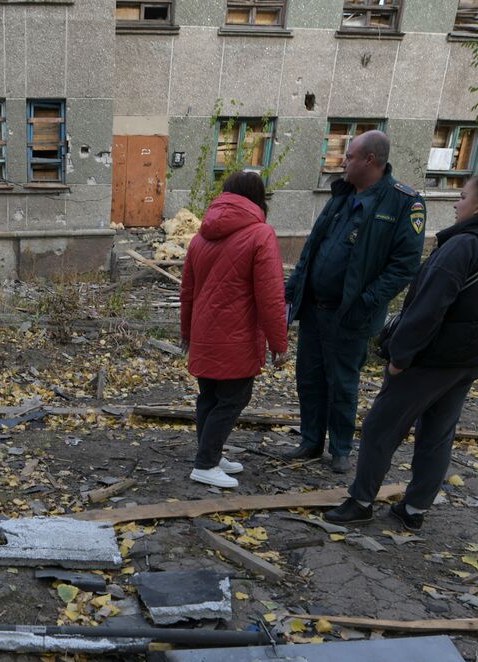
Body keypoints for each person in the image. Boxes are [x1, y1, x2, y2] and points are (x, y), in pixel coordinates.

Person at [324, 159, 478, 530]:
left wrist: (401, 356)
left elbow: (427, 309)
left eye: (463, 196)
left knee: (379, 428)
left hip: (431, 358)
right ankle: (415, 509)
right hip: (468, 359)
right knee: (437, 433)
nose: (457, 203)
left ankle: (360, 501)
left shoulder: (464, 245)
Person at [284, 130, 425, 473]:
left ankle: (341, 448)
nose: (343, 162)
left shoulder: (404, 202)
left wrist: (365, 303)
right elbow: (313, 248)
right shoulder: (342, 194)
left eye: (349, 156)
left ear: (370, 161)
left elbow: (403, 267)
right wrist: (294, 292)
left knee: (343, 383)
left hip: (351, 315)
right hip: (315, 310)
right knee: (309, 378)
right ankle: (310, 440)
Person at [179, 170, 289, 489]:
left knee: (210, 398)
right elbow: (270, 294)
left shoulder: (201, 237)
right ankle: (206, 463)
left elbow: (187, 292)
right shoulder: (260, 234)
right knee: (233, 400)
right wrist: (278, 343)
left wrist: (187, 333)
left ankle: (209, 452)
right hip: (236, 338)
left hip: (205, 334)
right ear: (258, 198)